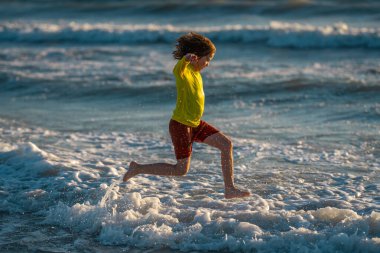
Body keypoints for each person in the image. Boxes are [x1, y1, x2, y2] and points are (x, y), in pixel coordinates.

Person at [123, 32, 250, 199]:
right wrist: (185, 59)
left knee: (226, 145)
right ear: (197, 57)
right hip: (181, 125)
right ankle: (138, 168)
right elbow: (177, 70)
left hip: (195, 124)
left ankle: (230, 189)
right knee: (181, 170)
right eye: (208, 59)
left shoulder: (196, 74)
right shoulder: (185, 71)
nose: (208, 64)